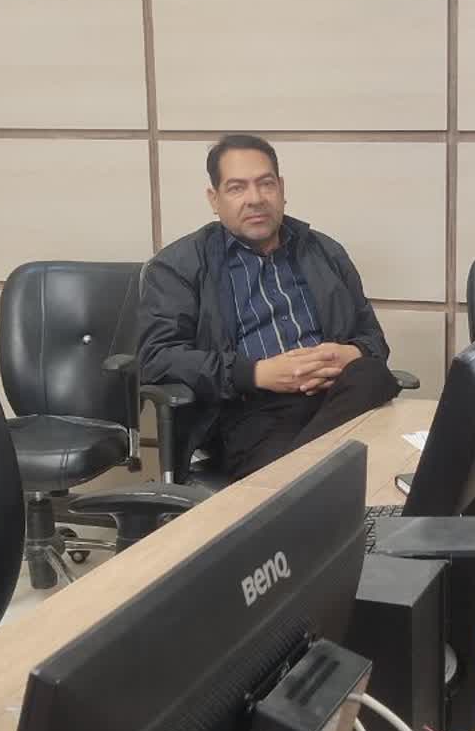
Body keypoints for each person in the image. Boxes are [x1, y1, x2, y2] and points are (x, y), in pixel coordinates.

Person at [139, 134, 401, 479]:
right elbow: (158, 359)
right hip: (253, 411)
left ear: (281, 188)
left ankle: (290, 481)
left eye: (266, 184)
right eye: (237, 188)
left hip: (335, 396)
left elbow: (373, 339)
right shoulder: (179, 266)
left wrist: (349, 354)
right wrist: (257, 373)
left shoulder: (325, 252)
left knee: (370, 373)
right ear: (214, 199)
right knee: (348, 465)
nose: (256, 199)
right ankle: (299, 479)